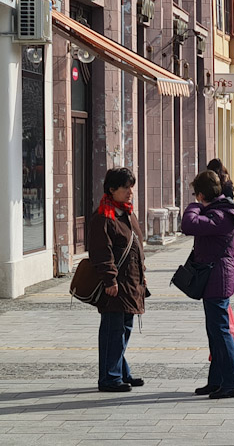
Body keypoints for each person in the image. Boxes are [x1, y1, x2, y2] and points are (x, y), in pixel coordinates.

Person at [181, 170, 234, 398]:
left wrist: (195, 205)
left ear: (201, 193)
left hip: (217, 278)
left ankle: (231, 383)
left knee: (221, 332)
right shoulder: (221, 211)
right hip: (215, 277)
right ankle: (216, 380)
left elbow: (188, 225)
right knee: (214, 332)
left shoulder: (221, 215)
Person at [88, 167, 146, 392]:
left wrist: (143, 276)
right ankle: (109, 378)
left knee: (124, 328)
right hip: (116, 284)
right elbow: (102, 251)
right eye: (125, 187)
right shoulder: (103, 216)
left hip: (132, 283)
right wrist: (109, 280)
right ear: (112, 189)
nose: (130, 191)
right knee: (113, 330)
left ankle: (121, 372)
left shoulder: (128, 213)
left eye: (131, 186)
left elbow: (137, 247)